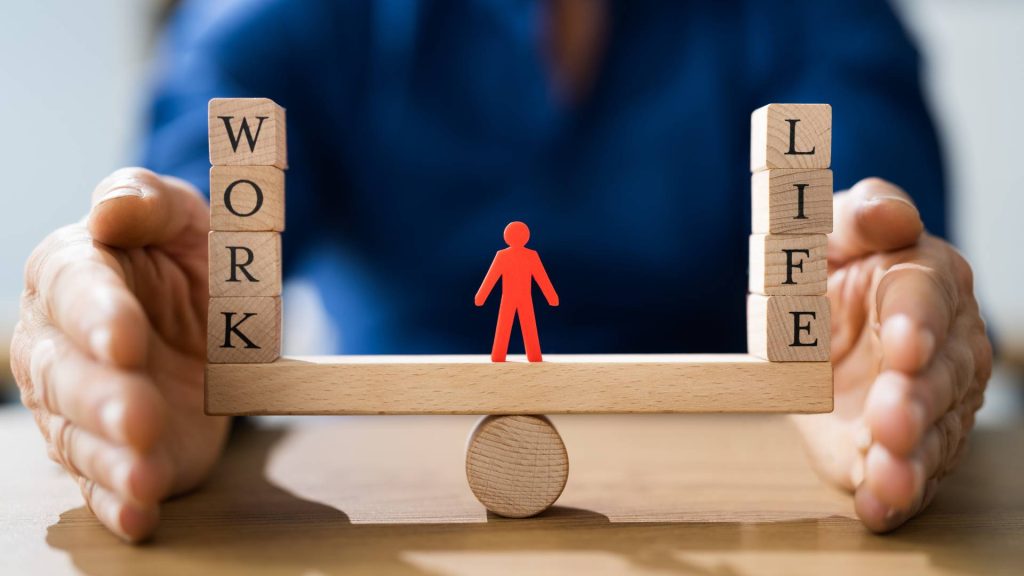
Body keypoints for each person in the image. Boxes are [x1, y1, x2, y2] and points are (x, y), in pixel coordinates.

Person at [10, 0, 991, 541]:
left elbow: (874, 231)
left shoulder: (815, 19)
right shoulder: (283, 20)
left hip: (755, 485)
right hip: (389, 483)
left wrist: (885, 324)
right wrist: (146, 315)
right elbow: (197, 217)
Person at [475, 221, 560, 362]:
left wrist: (481, 297)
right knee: (522, 326)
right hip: (517, 298)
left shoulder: (509, 255)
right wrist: (552, 297)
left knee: (511, 325)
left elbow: (541, 277)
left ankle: (502, 355)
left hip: (516, 298)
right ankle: (521, 356)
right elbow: (492, 277)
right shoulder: (523, 255)